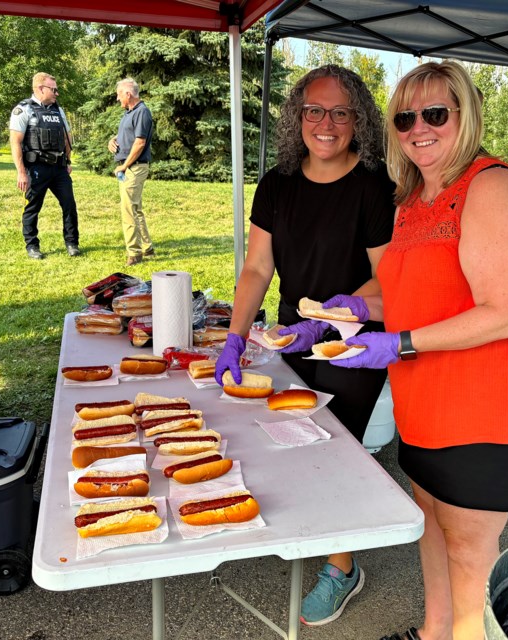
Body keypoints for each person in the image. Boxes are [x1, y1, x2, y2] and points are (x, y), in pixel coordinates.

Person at [316, 61, 508, 640]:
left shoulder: (493, 185)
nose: (418, 127)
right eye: (405, 117)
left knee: (470, 548)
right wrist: (347, 307)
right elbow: (401, 287)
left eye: (435, 114)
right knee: (430, 519)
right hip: (425, 397)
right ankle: (433, 631)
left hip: (490, 403)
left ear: (465, 115)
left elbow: (507, 310)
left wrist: (397, 343)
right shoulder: (413, 197)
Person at [213, 65, 395, 627]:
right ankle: (310, 528)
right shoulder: (277, 184)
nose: (326, 122)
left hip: (351, 345)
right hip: (290, 337)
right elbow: (256, 268)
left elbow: (390, 283)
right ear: (297, 116)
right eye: (314, 109)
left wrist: (333, 317)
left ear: (358, 120)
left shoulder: (374, 188)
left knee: (338, 452)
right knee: (288, 439)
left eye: (341, 112)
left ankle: (342, 567)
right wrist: (235, 338)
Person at [10, 72, 81, 259]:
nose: (57, 93)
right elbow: (15, 142)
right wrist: (21, 172)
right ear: (41, 88)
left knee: (69, 205)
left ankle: (72, 243)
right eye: (54, 89)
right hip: (36, 169)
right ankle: (32, 246)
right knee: (32, 208)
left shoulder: (58, 110)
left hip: (59, 169)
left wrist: (67, 161)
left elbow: (67, 137)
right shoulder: (23, 110)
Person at [108, 78, 154, 266]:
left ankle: (134, 253)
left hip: (135, 168)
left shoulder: (142, 112)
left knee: (128, 210)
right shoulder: (129, 113)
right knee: (135, 209)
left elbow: (140, 142)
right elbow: (127, 135)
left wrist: (124, 165)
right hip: (130, 167)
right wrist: (112, 140)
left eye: (119, 95)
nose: (118, 99)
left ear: (128, 94)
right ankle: (147, 247)